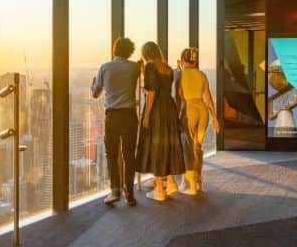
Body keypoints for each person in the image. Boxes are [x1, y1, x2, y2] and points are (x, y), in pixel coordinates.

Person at [91, 37, 141, 206]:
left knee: (112, 153)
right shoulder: (135, 67)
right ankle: (130, 193)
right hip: (130, 115)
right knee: (129, 155)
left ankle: (115, 190)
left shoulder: (105, 67)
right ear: (130, 51)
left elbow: (95, 93)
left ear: (114, 50)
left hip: (112, 116)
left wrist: (93, 85)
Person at [136, 42, 185, 201]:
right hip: (169, 107)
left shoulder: (150, 66)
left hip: (157, 108)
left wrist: (147, 115)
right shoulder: (168, 67)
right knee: (167, 144)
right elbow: (164, 88)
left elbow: (151, 92)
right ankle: (170, 183)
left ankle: (159, 190)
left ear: (146, 53)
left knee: (156, 145)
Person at [176, 47, 219, 195]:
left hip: (189, 109)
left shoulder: (181, 75)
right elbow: (208, 98)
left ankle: (189, 184)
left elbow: (180, 96)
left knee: (187, 148)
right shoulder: (202, 75)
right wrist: (215, 118)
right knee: (197, 147)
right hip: (203, 110)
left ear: (183, 61)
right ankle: (199, 179)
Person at [267, 60, 297, 134]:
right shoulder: (271, 99)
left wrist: (285, 108)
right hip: (279, 123)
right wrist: (279, 112)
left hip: (287, 118)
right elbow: (270, 116)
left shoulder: (295, 89)